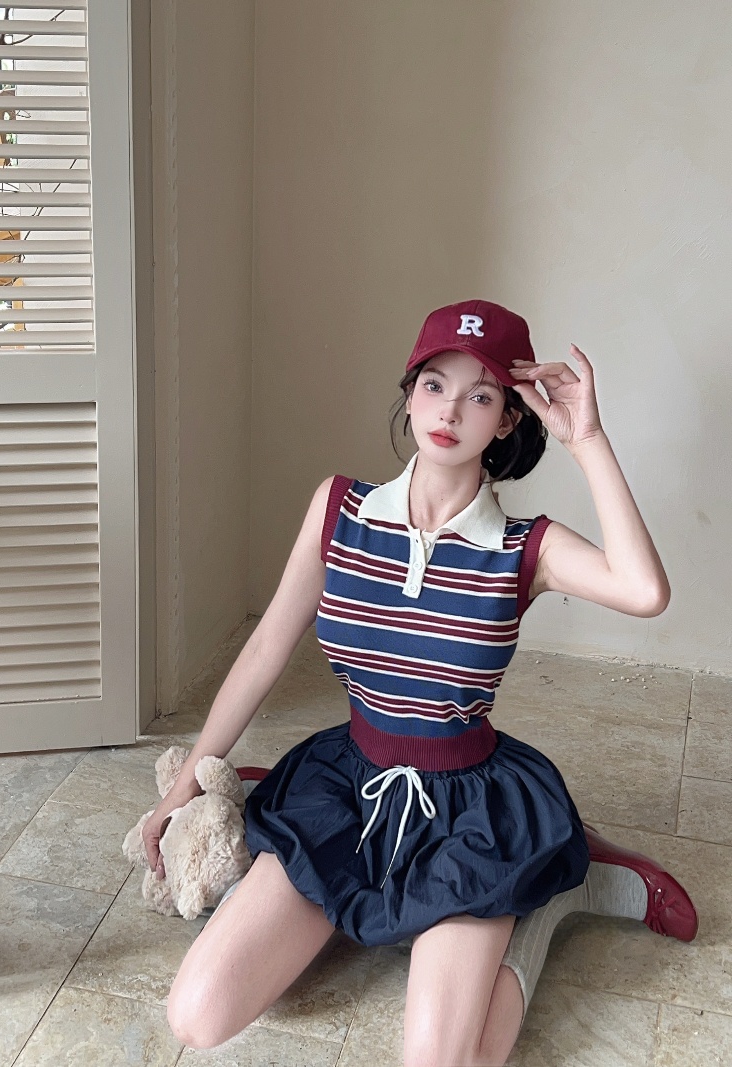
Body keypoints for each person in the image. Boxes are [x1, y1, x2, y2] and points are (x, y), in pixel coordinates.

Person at [149, 300, 697, 1065]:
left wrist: (588, 440)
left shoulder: (524, 547)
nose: (451, 411)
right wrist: (184, 784)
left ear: (508, 419)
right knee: (197, 1016)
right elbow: (267, 646)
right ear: (409, 393)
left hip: (470, 814)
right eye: (435, 384)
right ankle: (354, 890)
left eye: (481, 395)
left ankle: (546, 896)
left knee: (445, 1060)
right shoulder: (339, 509)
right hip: (347, 788)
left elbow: (645, 591)